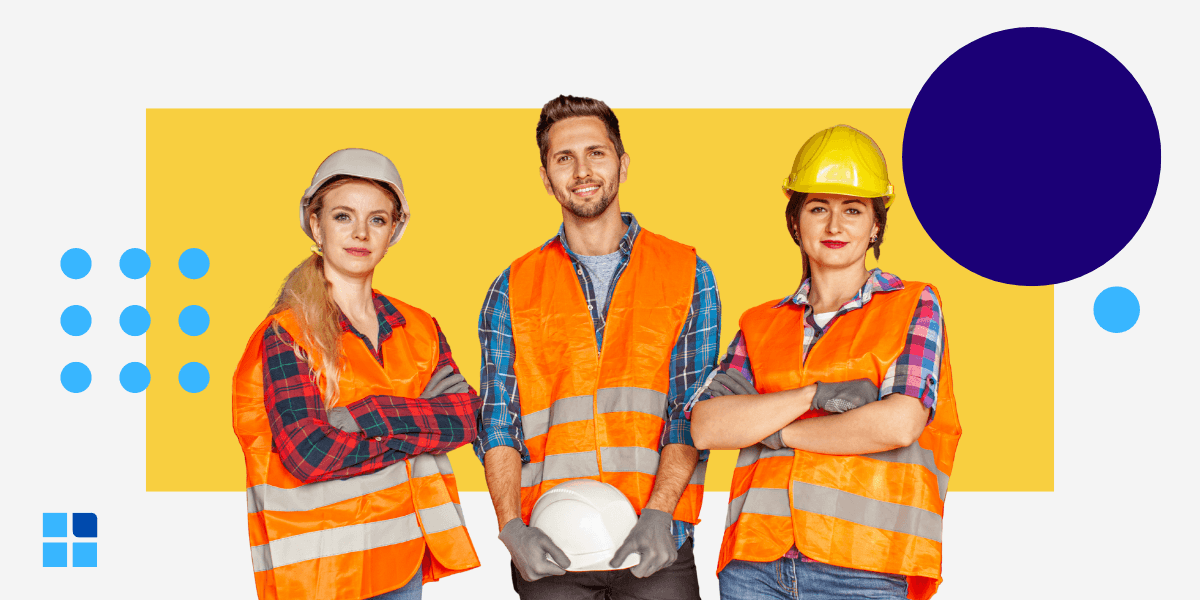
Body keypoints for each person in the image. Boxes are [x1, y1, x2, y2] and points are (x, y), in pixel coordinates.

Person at [688, 125, 962, 600]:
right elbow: (708, 426)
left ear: (876, 225)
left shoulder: (914, 305)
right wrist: (813, 397)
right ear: (796, 222)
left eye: (853, 210)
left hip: (864, 568)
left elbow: (898, 424)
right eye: (819, 209)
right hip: (754, 564)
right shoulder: (761, 324)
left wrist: (774, 430)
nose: (835, 226)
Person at [475, 95, 721, 600]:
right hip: (549, 545)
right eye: (564, 158)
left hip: (655, 540)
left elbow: (689, 412)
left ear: (623, 164)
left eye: (597, 153)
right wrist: (510, 528)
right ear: (546, 178)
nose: (582, 170)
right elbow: (500, 421)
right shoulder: (512, 287)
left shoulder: (687, 272)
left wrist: (660, 512)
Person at [231, 148, 482, 600]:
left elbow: (465, 418)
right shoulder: (287, 335)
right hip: (322, 571)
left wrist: (367, 414)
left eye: (378, 220)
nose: (361, 233)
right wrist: (420, 418)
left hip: (401, 558)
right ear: (316, 224)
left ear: (394, 231)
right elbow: (308, 453)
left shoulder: (419, 327)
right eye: (343, 216)